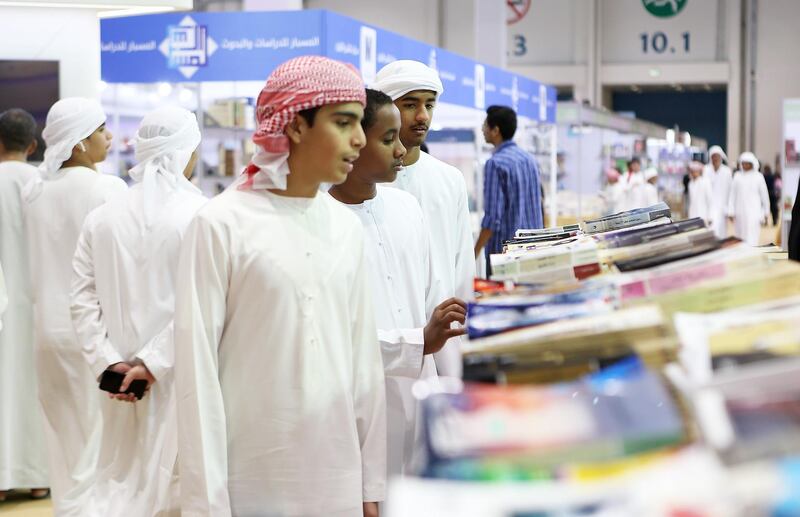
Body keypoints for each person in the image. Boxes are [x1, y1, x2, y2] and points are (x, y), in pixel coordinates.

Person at [174, 56, 386, 517]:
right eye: (343, 122)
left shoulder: (345, 228)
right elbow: (195, 380)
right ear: (294, 126)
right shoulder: (220, 224)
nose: (359, 140)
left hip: (335, 479)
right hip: (249, 483)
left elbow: (363, 368)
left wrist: (371, 482)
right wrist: (206, 505)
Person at [70, 107, 207, 516]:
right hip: (182, 374)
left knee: (117, 482)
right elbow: (200, 301)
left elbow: (81, 298)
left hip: (117, 384)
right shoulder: (202, 214)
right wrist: (153, 363)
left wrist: (109, 363)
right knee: (178, 485)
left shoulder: (102, 217)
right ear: (186, 151)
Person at [329, 89, 467, 481]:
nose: (400, 150)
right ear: (353, 143)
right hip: (357, 408)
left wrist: (447, 385)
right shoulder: (323, 224)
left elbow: (434, 299)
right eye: (389, 139)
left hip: (420, 394)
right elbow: (334, 337)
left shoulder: (407, 209)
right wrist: (417, 342)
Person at [22, 98, 127, 514]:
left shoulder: (35, 191)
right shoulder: (108, 188)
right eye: (102, 130)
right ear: (80, 143)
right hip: (93, 333)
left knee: (62, 439)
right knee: (101, 442)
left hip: (46, 331)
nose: (110, 137)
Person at [373, 60, 475, 378]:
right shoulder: (362, 184)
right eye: (410, 104)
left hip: (444, 343)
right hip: (382, 346)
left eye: (429, 104)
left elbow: (462, 269)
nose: (423, 116)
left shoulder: (449, 180)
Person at [0, 109, 50, 501]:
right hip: (40, 305)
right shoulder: (43, 183)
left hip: (4, 308)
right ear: (33, 145)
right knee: (37, 388)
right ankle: (39, 477)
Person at [473, 105, 543, 275]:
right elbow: (540, 204)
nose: (483, 129)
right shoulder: (529, 159)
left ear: (495, 130)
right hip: (533, 250)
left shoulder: (495, 163)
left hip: (505, 256)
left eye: (485, 125)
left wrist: (474, 252)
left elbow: (492, 218)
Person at [727, 152, 770, 246]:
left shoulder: (758, 177)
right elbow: (732, 195)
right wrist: (730, 211)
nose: (745, 165)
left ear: (752, 164)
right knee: (740, 237)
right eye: (743, 163)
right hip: (739, 213)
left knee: (752, 237)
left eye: (747, 163)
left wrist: (766, 212)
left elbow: (765, 196)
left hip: (754, 213)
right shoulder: (737, 176)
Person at [703, 145, 733, 239]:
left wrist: (730, 208)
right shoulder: (705, 170)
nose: (715, 158)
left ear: (721, 157)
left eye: (717, 156)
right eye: (713, 156)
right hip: (708, 207)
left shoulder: (727, 171)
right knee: (709, 232)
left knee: (721, 233)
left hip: (722, 207)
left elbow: (730, 191)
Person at [687, 161, 714, 226]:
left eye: (695, 171)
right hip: (692, 215)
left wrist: (710, 217)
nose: (693, 173)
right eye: (692, 171)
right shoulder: (690, 183)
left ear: (699, 171)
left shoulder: (705, 182)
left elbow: (710, 200)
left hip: (703, 215)